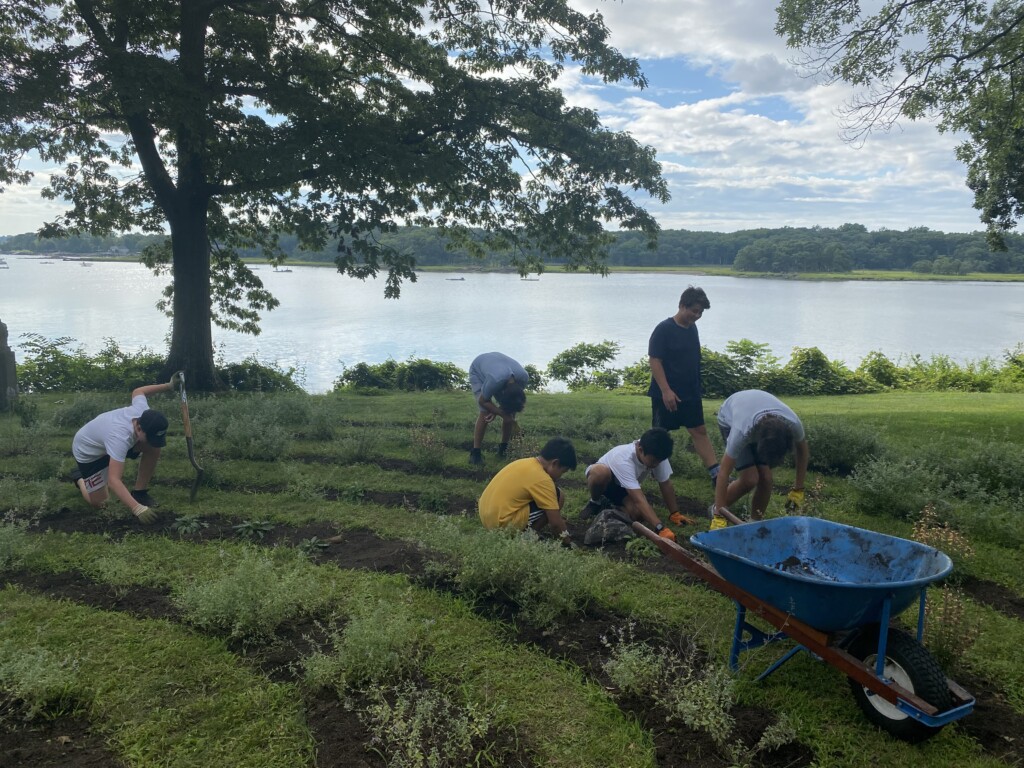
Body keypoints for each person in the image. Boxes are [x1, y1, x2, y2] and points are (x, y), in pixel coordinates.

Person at [70, 375, 181, 524]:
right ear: (139, 428)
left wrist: (168, 385)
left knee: (154, 448)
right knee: (101, 504)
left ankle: (139, 493)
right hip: (89, 453)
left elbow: (138, 391)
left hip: (111, 442)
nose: (154, 441)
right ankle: (81, 480)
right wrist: (137, 509)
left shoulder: (143, 411)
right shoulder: (119, 437)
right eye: (150, 437)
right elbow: (114, 480)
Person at [648, 286, 722, 490]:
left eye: (700, 313)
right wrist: (666, 391)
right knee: (660, 433)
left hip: (690, 392)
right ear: (682, 305)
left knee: (699, 430)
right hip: (666, 392)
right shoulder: (664, 329)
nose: (696, 316)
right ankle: (651, 469)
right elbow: (655, 360)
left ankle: (716, 475)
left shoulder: (692, 328)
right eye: (694, 311)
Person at [712, 389, 809, 523]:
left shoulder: (792, 423)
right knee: (750, 479)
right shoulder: (741, 432)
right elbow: (723, 473)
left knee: (766, 478)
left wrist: (798, 488)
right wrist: (719, 515)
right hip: (730, 415)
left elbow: (802, 452)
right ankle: (716, 509)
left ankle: (754, 523)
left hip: (756, 411)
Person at [581, 428, 689, 542]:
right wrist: (660, 528)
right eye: (653, 461)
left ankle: (609, 506)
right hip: (606, 480)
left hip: (622, 488)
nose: (656, 464)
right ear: (640, 449)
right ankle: (595, 502)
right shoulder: (623, 458)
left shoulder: (657, 453)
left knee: (637, 514)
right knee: (600, 473)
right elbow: (639, 499)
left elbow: (665, 483)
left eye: (659, 461)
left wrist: (675, 513)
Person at [478, 437, 577, 545]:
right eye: (562, 471)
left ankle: (526, 531)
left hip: (486, 518)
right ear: (555, 463)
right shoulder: (543, 480)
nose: (560, 476)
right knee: (558, 496)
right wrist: (568, 544)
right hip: (502, 525)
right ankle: (528, 536)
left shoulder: (524, 462)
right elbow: (556, 524)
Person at [468, 351, 529, 465]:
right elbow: (483, 401)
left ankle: (503, 449)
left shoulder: (523, 378)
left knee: (510, 414)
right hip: (479, 368)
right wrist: (498, 412)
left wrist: (500, 412)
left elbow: (510, 403)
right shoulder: (495, 380)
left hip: (498, 367)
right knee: (485, 411)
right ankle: (475, 453)